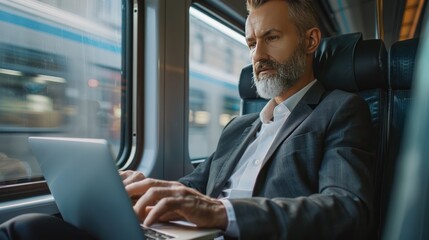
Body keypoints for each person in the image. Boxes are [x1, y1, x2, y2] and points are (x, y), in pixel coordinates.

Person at [0, 0, 375, 239]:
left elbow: (346, 209)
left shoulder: (340, 109)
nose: (257, 56)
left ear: (311, 41)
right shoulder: (239, 127)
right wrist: (144, 189)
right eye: (250, 43)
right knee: (28, 226)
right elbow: (191, 186)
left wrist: (218, 212)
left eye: (271, 37)